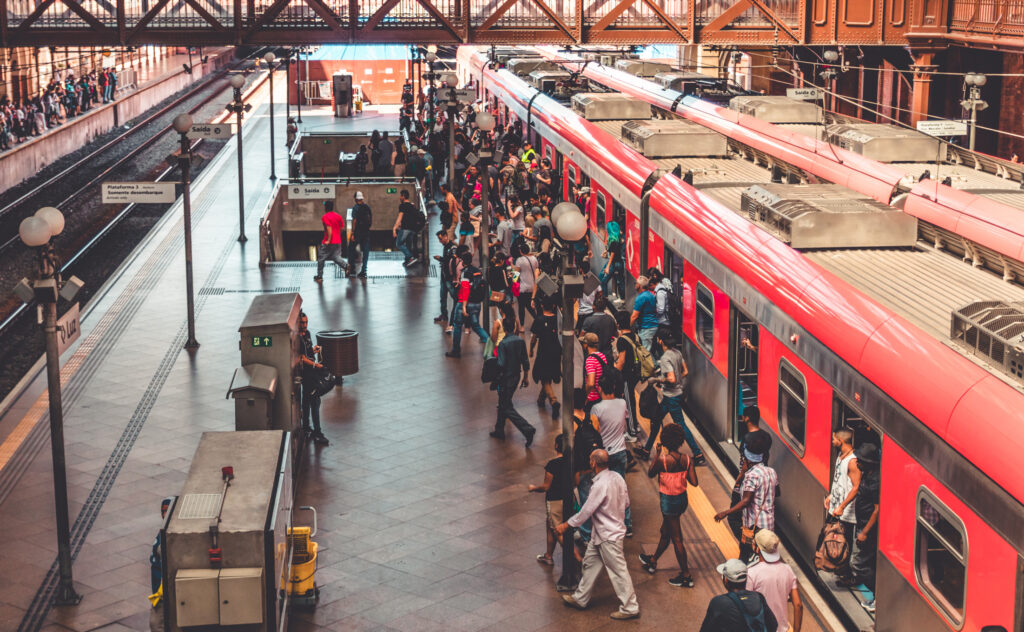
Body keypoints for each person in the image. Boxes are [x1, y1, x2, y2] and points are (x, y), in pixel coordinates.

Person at [556, 449, 640, 620]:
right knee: (590, 564)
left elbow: (587, 510)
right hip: (603, 534)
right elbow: (626, 503)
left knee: (618, 572)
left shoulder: (599, 485)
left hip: (608, 536)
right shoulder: (617, 478)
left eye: (590, 459)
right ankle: (580, 598)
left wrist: (567, 525)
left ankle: (630, 607)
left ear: (594, 463)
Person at [639, 423, 698, 586]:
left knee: (677, 539)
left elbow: (650, 473)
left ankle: (686, 576)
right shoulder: (687, 459)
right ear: (680, 441)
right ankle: (653, 560)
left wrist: (657, 455)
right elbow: (694, 482)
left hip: (668, 502)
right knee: (665, 532)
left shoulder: (663, 461)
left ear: (664, 441)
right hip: (682, 500)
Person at [641, 330, 706, 464]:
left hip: (671, 397)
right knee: (656, 419)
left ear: (660, 341)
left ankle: (698, 455)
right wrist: (678, 381)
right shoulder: (677, 352)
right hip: (674, 395)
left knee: (681, 425)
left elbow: (670, 379)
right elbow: (685, 371)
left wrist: (657, 380)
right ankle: (646, 450)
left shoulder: (665, 358)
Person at [714, 431, 776, 561]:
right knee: (760, 555)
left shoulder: (751, 475)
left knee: (747, 553)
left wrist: (725, 512)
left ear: (748, 459)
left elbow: (746, 501)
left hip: (755, 526)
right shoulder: (771, 472)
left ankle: (744, 577)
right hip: (768, 523)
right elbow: (778, 491)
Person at [591, 371, 633, 537]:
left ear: (599, 388)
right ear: (614, 387)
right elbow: (625, 421)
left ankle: (605, 524)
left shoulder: (597, 408)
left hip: (604, 454)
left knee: (602, 490)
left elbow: (595, 431)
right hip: (620, 451)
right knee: (621, 489)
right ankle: (627, 525)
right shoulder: (622, 403)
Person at [528, 434, 574, 565]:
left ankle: (576, 559)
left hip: (554, 501)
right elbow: (576, 481)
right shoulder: (571, 462)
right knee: (550, 527)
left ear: (556, 446)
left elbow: (546, 486)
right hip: (568, 499)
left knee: (557, 530)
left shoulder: (552, 464)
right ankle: (548, 555)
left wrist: (533, 488)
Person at [490, 317, 536, 447]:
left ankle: (527, 429)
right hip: (516, 377)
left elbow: (501, 364)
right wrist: (526, 377)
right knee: (503, 402)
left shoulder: (503, 344)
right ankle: (499, 429)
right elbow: (525, 360)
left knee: (506, 407)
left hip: (506, 379)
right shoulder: (520, 341)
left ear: (504, 328)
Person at [728, 407, 772, 543]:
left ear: (747, 418)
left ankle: (746, 543)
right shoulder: (767, 436)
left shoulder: (747, 439)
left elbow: (744, 465)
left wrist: (738, 481)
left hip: (747, 482)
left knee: (734, 517)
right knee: (754, 514)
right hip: (762, 480)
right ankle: (752, 544)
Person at [699, 559, 778, 632]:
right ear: (746, 580)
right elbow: (773, 625)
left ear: (725, 580)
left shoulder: (718, 602)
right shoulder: (759, 597)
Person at [746, 530, 803, 632]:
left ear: (757, 549)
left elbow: (746, 606)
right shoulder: (787, 570)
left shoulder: (751, 573)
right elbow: (798, 605)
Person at [847, 443, 880, 614]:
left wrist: (865, 532)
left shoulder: (876, 481)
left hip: (868, 531)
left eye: (861, 460)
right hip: (862, 524)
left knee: (857, 564)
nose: (857, 462)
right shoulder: (868, 474)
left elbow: (877, 509)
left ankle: (878, 596)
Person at [825, 428, 860, 580]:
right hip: (836, 506)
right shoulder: (840, 456)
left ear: (841, 441)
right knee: (834, 538)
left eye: (834, 439)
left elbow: (856, 487)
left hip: (846, 512)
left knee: (845, 543)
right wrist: (831, 496)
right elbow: (840, 480)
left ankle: (847, 573)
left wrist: (842, 506)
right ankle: (837, 566)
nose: (832, 442)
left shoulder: (852, 461)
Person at [447, 252, 490, 358]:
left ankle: (456, 350)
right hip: (476, 304)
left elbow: (466, 289)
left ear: (462, 261)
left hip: (465, 303)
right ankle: (491, 345)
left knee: (457, 325)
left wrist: (464, 306)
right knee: (476, 326)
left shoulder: (465, 273)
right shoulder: (477, 271)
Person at [298, 312, 329, 445]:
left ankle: (306, 427)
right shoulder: (297, 339)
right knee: (315, 402)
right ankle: (317, 432)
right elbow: (302, 358)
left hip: (311, 373)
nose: (305, 325)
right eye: (302, 323)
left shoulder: (308, 334)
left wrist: (314, 350)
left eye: (306, 322)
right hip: (307, 375)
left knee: (306, 401)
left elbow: (308, 352)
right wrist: (316, 365)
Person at [529, 298, 561, 418]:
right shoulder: (558, 319)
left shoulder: (539, 319)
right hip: (556, 351)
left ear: (541, 306)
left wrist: (531, 349)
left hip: (543, 351)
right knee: (549, 376)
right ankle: (541, 399)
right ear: (553, 306)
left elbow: (534, 337)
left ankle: (554, 401)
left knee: (544, 378)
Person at [613, 312, 643, 442]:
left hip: (626, 375)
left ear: (618, 325)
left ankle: (632, 433)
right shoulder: (636, 336)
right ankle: (635, 424)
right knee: (631, 399)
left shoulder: (622, 340)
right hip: (636, 373)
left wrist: (612, 373)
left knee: (628, 402)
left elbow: (622, 361)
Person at [314, 200, 349, 283]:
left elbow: (329, 228)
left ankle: (319, 276)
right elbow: (342, 228)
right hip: (337, 241)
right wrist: (337, 235)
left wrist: (328, 240)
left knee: (321, 258)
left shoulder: (325, 217)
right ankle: (346, 266)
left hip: (328, 242)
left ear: (325, 207)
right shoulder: (338, 216)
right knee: (335, 257)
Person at [630, 276, 659, 350]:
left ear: (639, 285)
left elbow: (634, 316)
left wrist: (626, 328)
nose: (635, 285)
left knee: (645, 354)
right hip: (652, 326)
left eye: (635, 283)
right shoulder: (650, 294)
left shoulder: (641, 298)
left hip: (646, 327)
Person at [393, 189, 420, 267]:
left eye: (401, 196)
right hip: (413, 229)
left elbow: (400, 217)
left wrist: (394, 228)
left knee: (399, 244)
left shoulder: (402, 206)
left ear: (403, 196)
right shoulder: (412, 206)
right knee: (408, 245)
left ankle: (410, 257)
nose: (400, 197)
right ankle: (408, 261)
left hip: (405, 229)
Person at [580, 333, 606, 412]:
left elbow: (591, 383)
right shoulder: (602, 356)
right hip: (601, 395)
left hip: (592, 398)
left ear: (586, 345)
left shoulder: (590, 360)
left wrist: (585, 396)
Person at [434, 230, 456, 324]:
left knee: (454, 296)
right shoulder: (445, 247)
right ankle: (444, 314)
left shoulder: (452, 247)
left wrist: (441, 259)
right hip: (444, 276)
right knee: (442, 297)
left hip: (449, 277)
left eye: (440, 239)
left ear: (446, 236)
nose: (440, 241)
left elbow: (452, 260)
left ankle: (456, 314)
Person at [349, 191, 372, 278]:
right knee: (365, 251)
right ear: (362, 198)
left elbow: (354, 221)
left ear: (355, 199)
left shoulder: (356, 208)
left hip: (358, 232)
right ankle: (364, 270)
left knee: (351, 248)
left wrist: (352, 233)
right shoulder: (367, 207)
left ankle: (352, 269)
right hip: (366, 232)